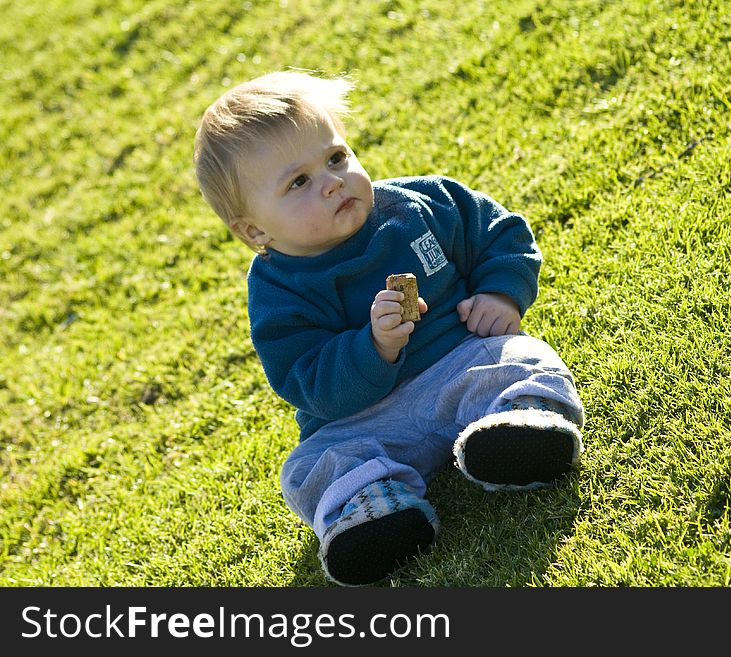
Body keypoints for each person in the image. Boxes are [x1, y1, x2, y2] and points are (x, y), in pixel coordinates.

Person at [193, 69, 585, 586]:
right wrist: (372, 347)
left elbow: (498, 230)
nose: (333, 181)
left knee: (522, 357)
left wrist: (499, 291)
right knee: (312, 465)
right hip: (365, 422)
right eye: (299, 182)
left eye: (335, 157)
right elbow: (303, 378)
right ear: (255, 229)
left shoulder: (416, 206)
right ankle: (375, 511)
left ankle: (519, 431)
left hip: (458, 366)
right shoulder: (277, 291)